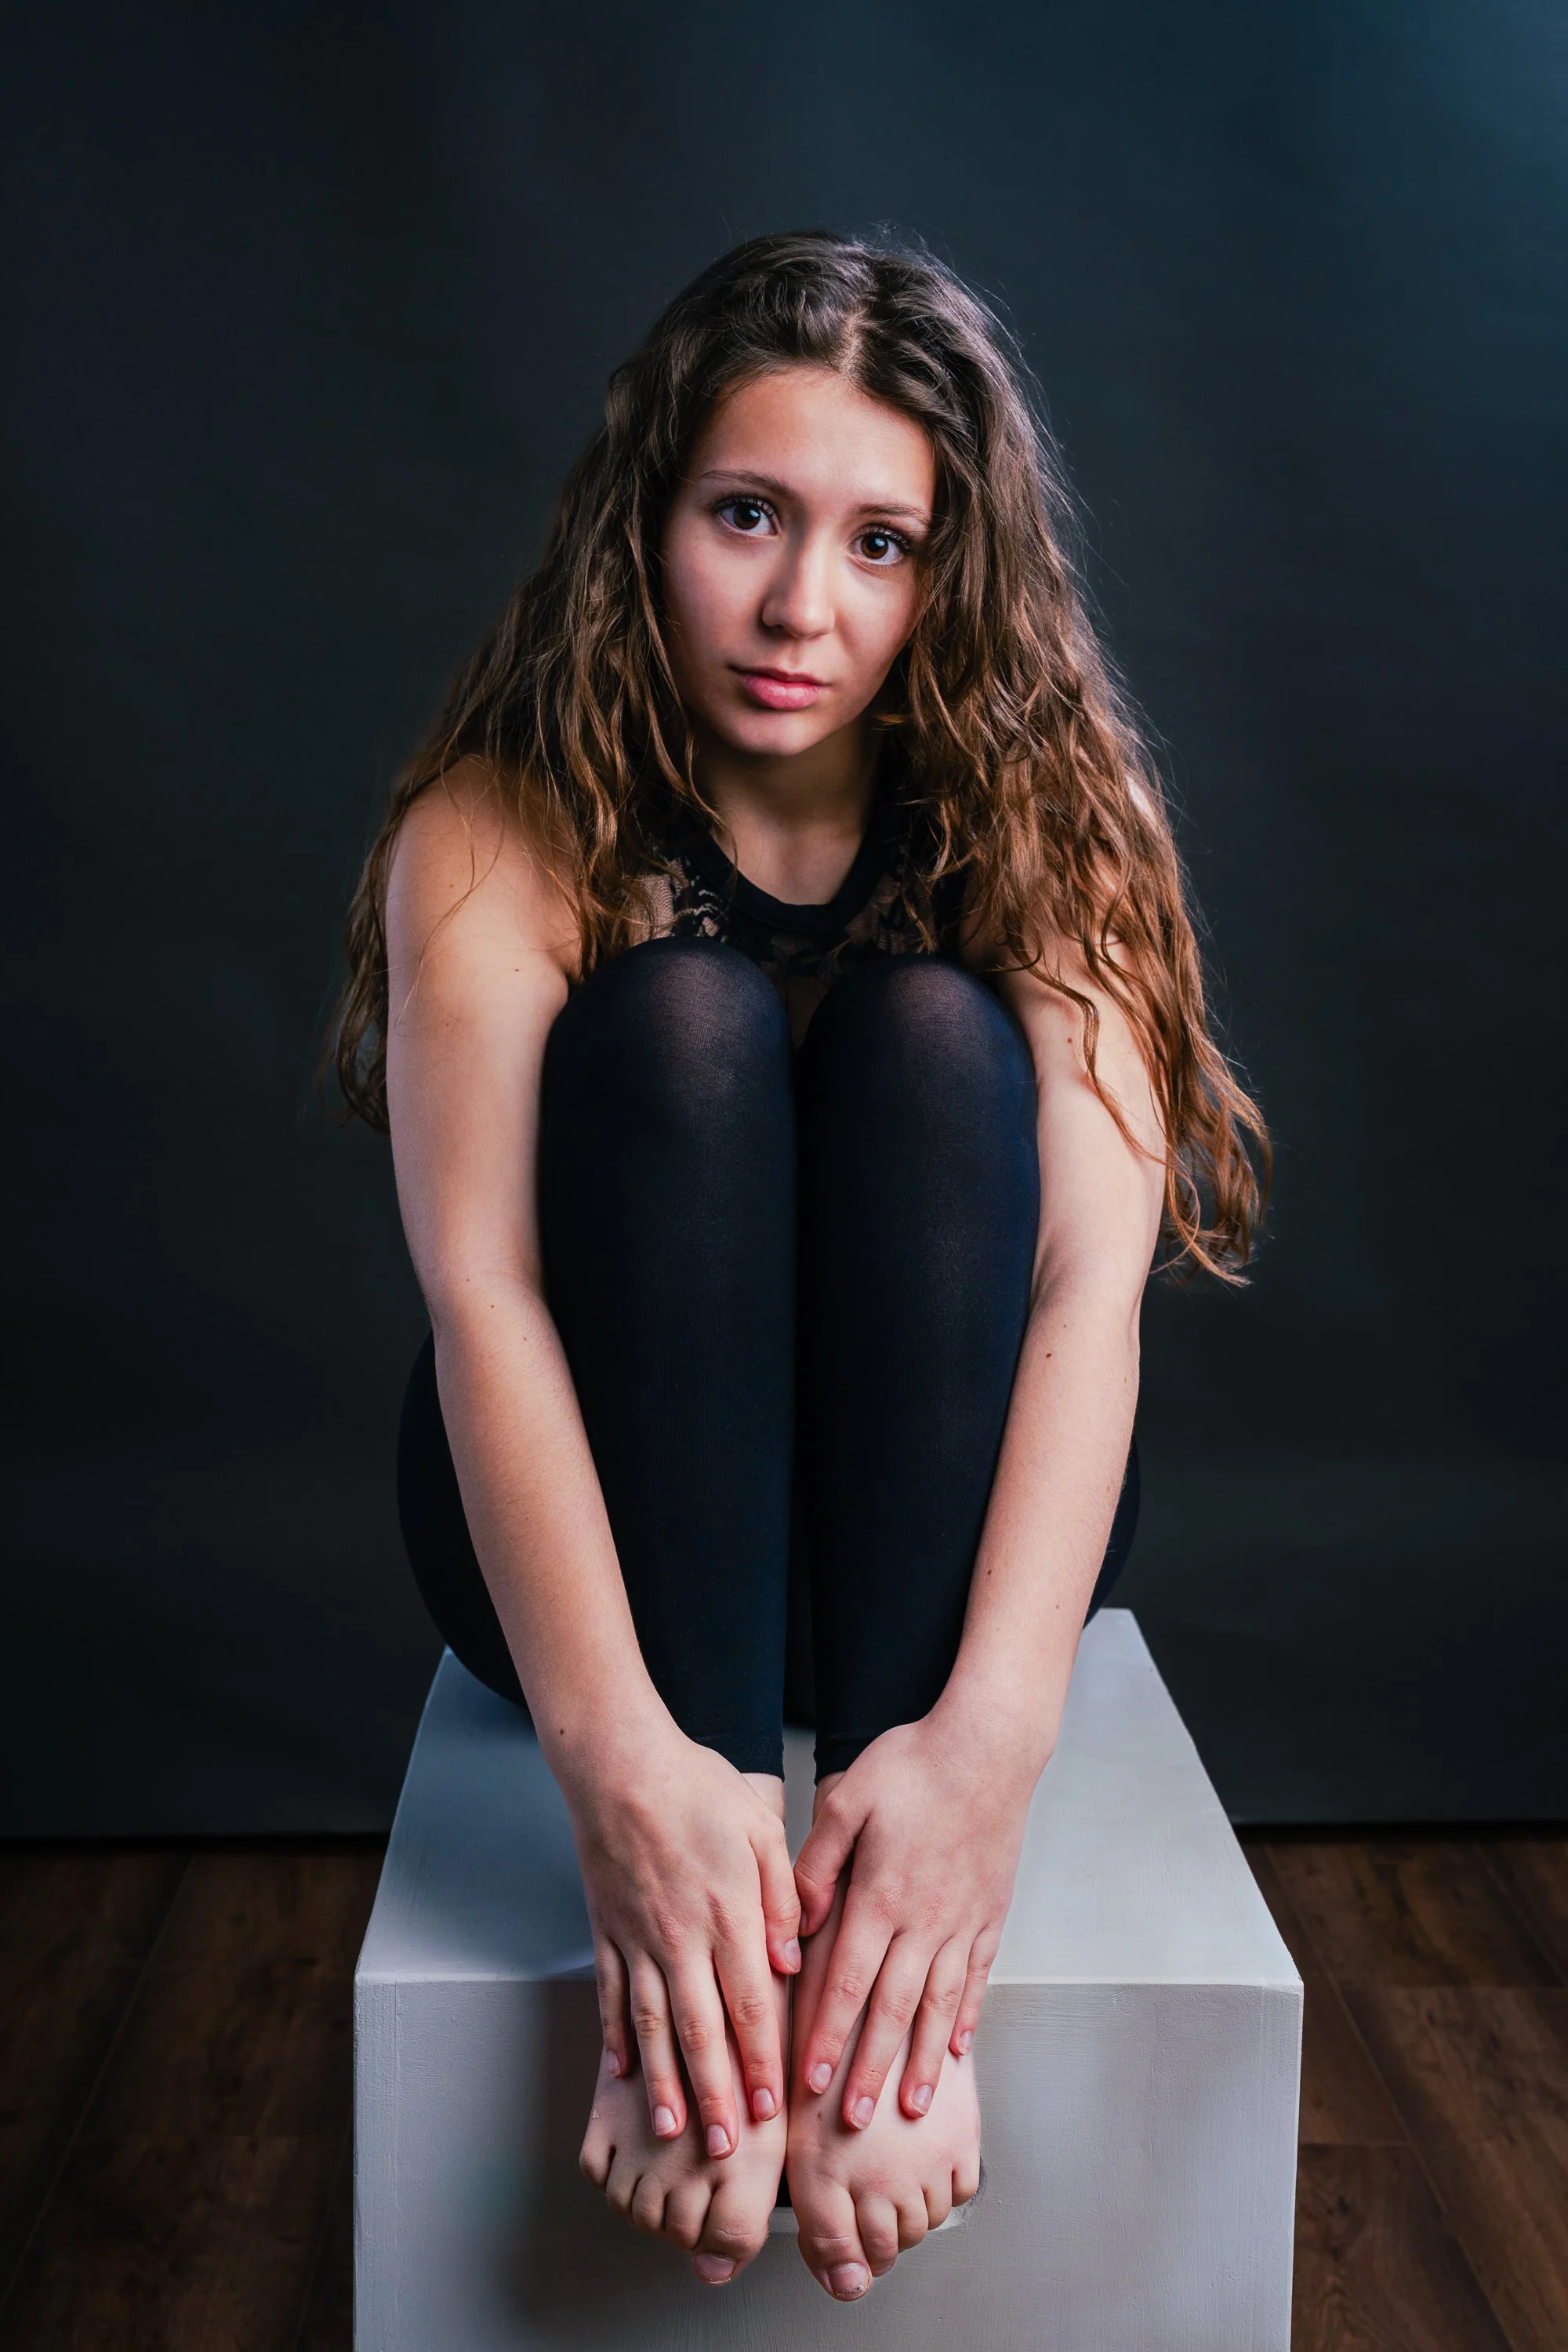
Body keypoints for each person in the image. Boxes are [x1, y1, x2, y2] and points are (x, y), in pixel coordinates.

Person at [331, 230, 1266, 2305]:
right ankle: (716, 1966)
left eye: (879, 541)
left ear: (955, 571)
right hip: (582, 1539)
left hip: (923, 1563)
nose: (798, 608)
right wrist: (629, 1784)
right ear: (647, 517)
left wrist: (980, 1770)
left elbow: (1082, 1299)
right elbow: (483, 1296)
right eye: (746, 515)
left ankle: (873, 2016)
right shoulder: (501, 822)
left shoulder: (1056, 816)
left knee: (933, 1042)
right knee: (682, 1026)